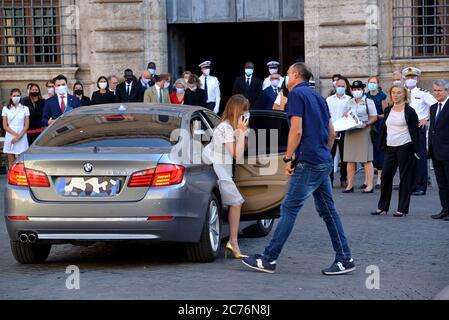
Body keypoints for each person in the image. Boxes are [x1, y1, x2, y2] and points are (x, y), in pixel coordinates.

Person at [242, 63, 355, 275]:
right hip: (322, 160)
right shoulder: (319, 97)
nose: (285, 77)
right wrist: (325, 155)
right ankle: (345, 258)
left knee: (289, 209)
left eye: (287, 74)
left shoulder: (296, 95)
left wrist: (288, 158)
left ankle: (269, 258)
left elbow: (296, 130)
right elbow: (331, 132)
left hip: (308, 161)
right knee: (329, 212)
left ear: (295, 75)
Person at [210, 94, 249, 259]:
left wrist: (243, 133)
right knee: (236, 201)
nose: (247, 113)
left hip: (224, 168)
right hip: (218, 168)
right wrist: (240, 132)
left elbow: (243, 149)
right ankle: (233, 242)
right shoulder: (225, 128)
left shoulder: (231, 127)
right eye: (245, 110)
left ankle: (232, 241)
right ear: (236, 110)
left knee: (234, 202)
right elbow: (236, 154)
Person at [372, 85, 419, 217]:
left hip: (405, 146)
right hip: (390, 147)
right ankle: (383, 207)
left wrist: (416, 150)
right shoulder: (388, 110)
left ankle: (402, 209)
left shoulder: (410, 111)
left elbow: (414, 131)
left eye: (398, 93)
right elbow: (385, 129)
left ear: (404, 95)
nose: (395, 95)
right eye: (393, 93)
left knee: (404, 177)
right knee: (385, 176)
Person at [403, 67, 438, 196]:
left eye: (412, 77)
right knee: (407, 157)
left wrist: (426, 119)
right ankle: (410, 184)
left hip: (418, 128)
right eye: (408, 77)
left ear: (417, 79)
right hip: (404, 128)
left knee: (420, 157)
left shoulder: (423, 93)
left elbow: (435, 106)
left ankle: (421, 185)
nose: (410, 79)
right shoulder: (402, 92)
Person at [342, 80, 378, 193]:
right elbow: (344, 115)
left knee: (366, 159)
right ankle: (350, 185)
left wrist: (366, 123)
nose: (356, 91)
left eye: (358, 89)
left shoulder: (368, 101)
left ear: (363, 90)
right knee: (350, 159)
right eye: (354, 89)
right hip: (350, 131)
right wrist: (345, 116)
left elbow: (374, 117)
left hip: (364, 130)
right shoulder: (349, 102)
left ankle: (370, 185)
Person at [429, 80, 449, 221]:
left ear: (447, 91)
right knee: (441, 184)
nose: (437, 93)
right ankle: (445, 209)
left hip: (447, 151)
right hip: (436, 152)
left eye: (440, 90)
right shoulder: (433, 107)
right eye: (435, 90)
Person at [326, 77, 351, 188]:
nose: (340, 88)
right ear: (335, 87)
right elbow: (327, 115)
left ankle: (343, 178)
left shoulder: (350, 99)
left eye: (343, 86)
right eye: (339, 86)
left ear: (346, 87)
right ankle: (329, 180)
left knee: (344, 156)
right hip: (331, 130)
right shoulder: (329, 99)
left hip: (344, 131)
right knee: (330, 156)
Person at [366, 76, 388, 189]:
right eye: (370, 82)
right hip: (368, 125)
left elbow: (386, 114)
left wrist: (376, 116)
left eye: (374, 83)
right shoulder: (366, 96)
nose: (372, 84)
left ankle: (379, 179)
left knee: (379, 151)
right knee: (368, 152)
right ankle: (367, 180)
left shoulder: (382, 96)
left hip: (379, 125)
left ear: (378, 84)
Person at [2, 88, 30, 169]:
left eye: (18, 95)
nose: (16, 97)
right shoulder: (5, 108)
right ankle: (11, 180)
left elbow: (26, 125)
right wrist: (16, 135)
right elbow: (5, 126)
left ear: (20, 96)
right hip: (10, 135)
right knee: (11, 161)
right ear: (10, 97)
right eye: (14, 96)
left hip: (22, 135)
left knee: (22, 161)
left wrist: (19, 136)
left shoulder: (25, 108)